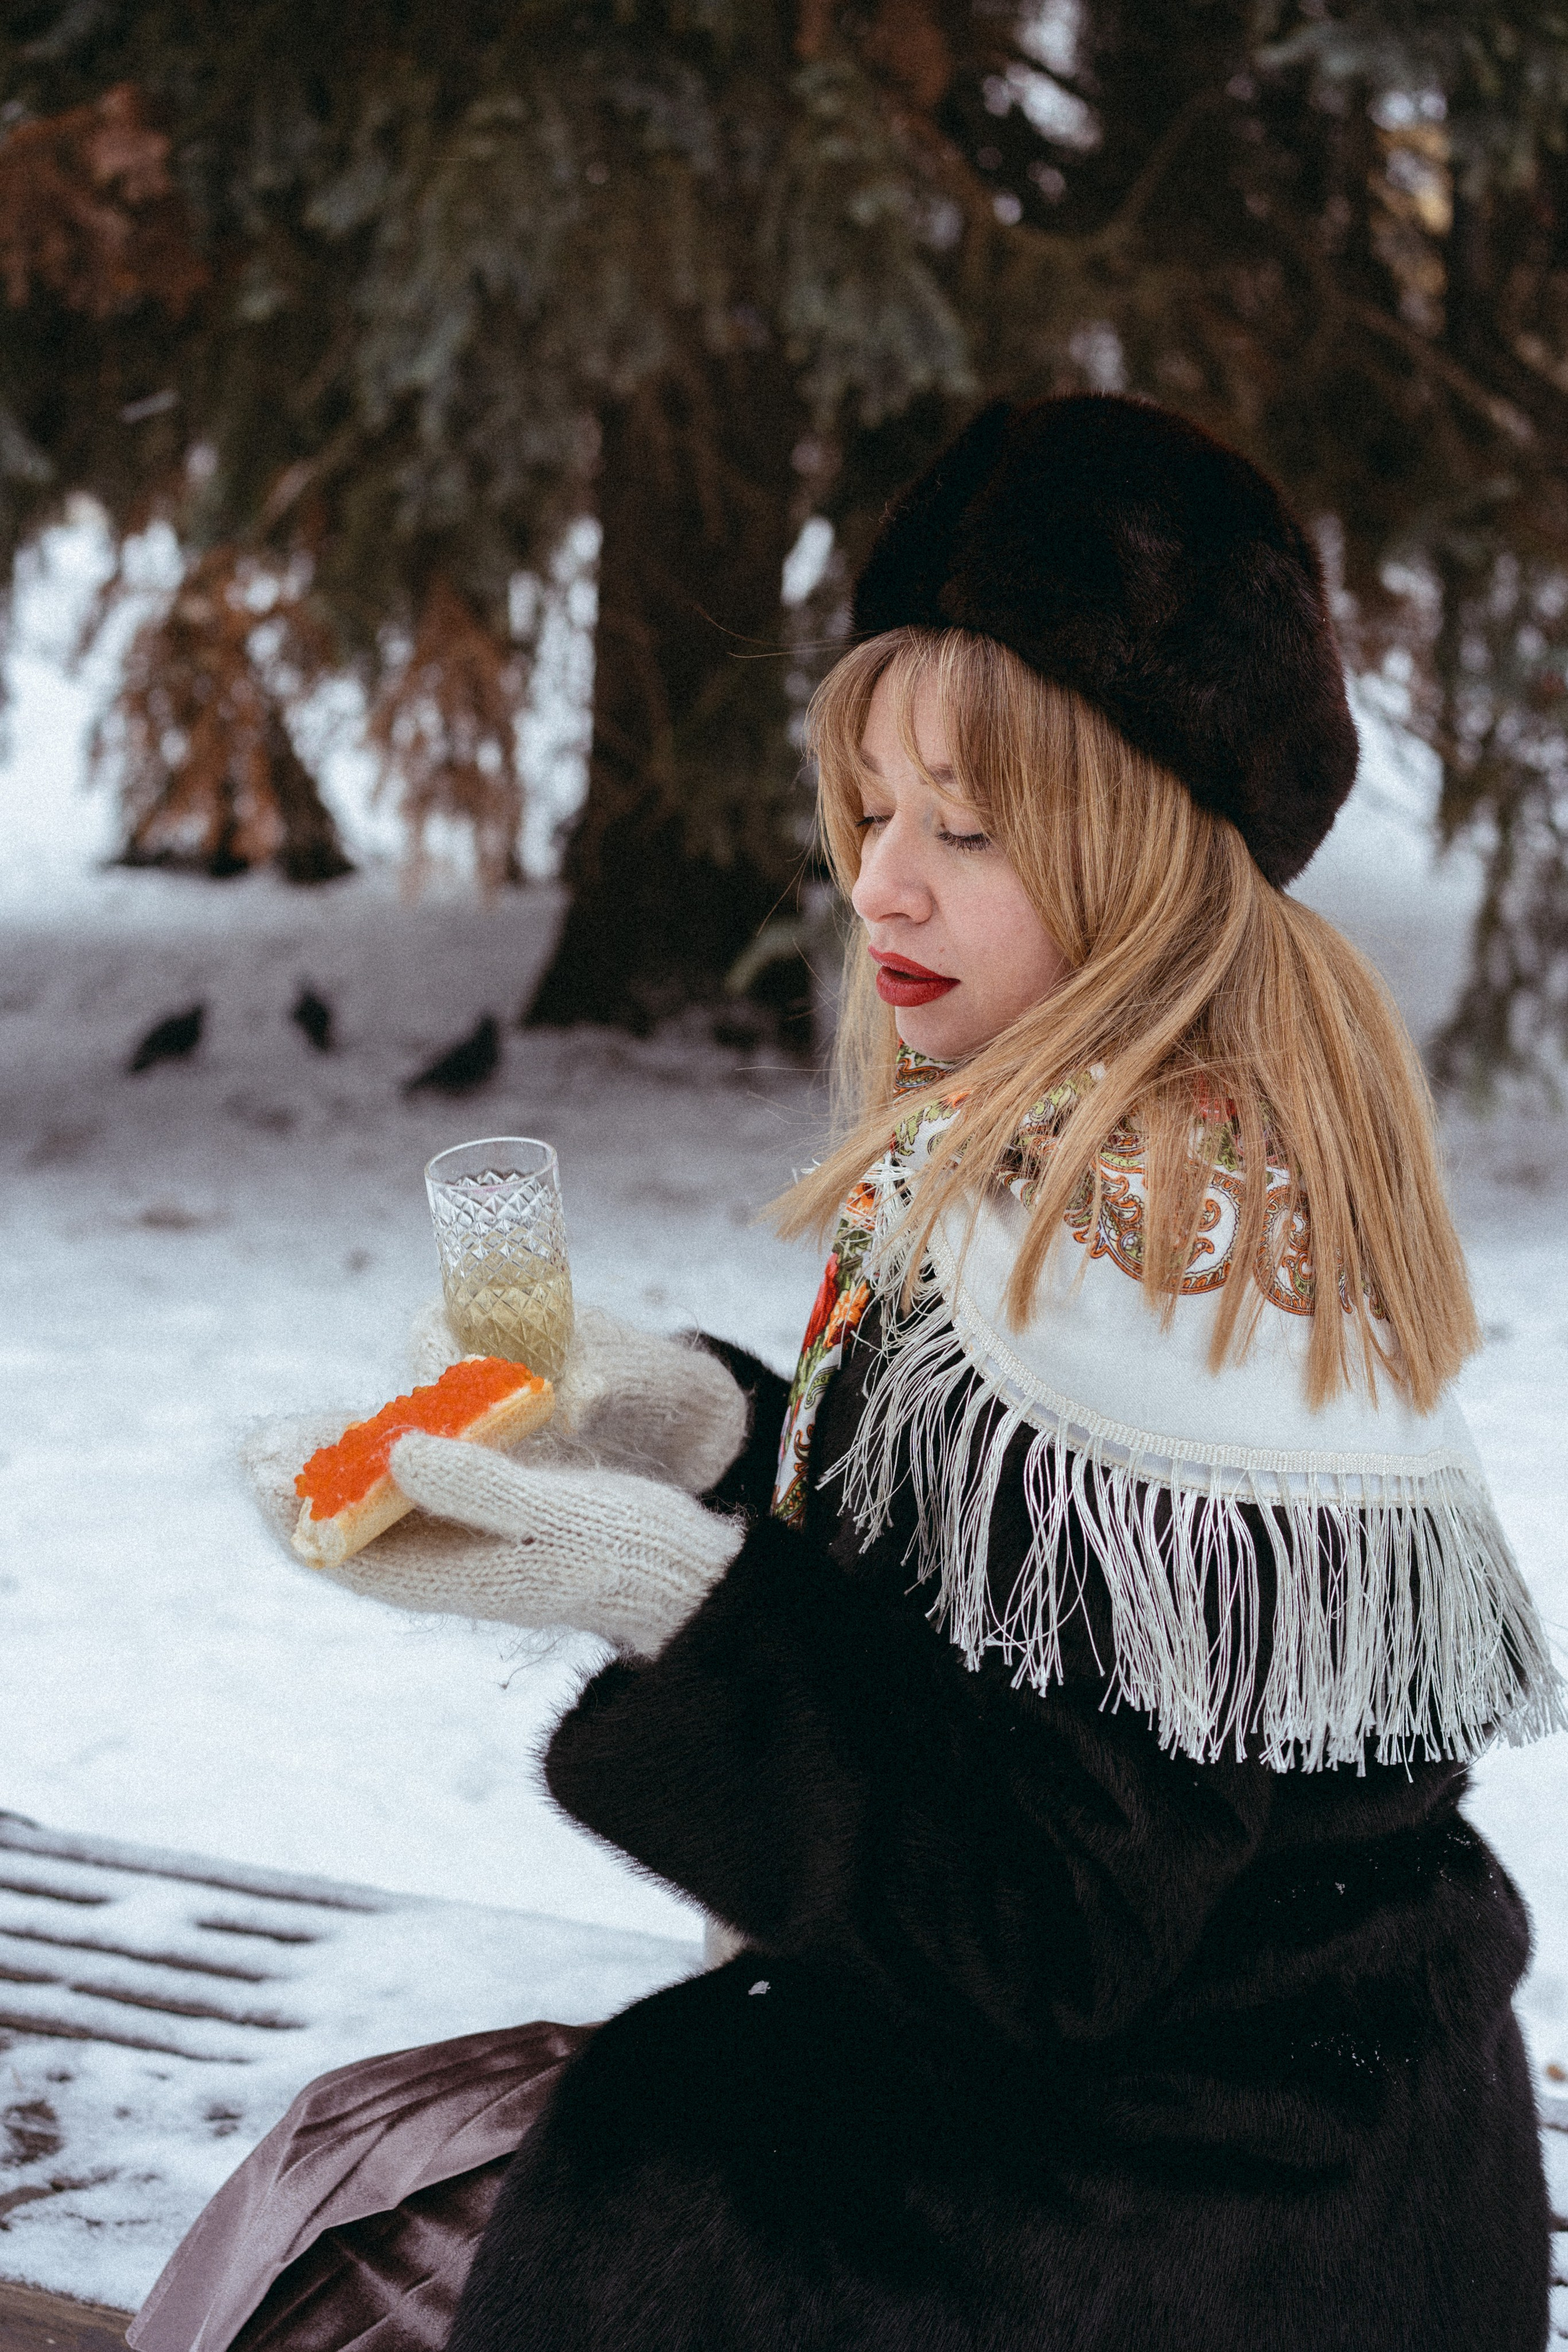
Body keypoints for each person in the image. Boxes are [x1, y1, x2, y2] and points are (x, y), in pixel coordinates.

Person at [132, 394, 1564, 2352]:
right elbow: (1019, 1610)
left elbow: (1049, 1917)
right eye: (872, 810)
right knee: (362, 2166)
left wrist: (660, 1591)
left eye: (965, 831)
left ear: (1143, 858)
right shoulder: (1116, 1144)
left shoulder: (1134, 1233)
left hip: (1165, 2237)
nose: (884, 884)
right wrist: (712, 1427)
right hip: (1330, 2169)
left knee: (340, 2261)